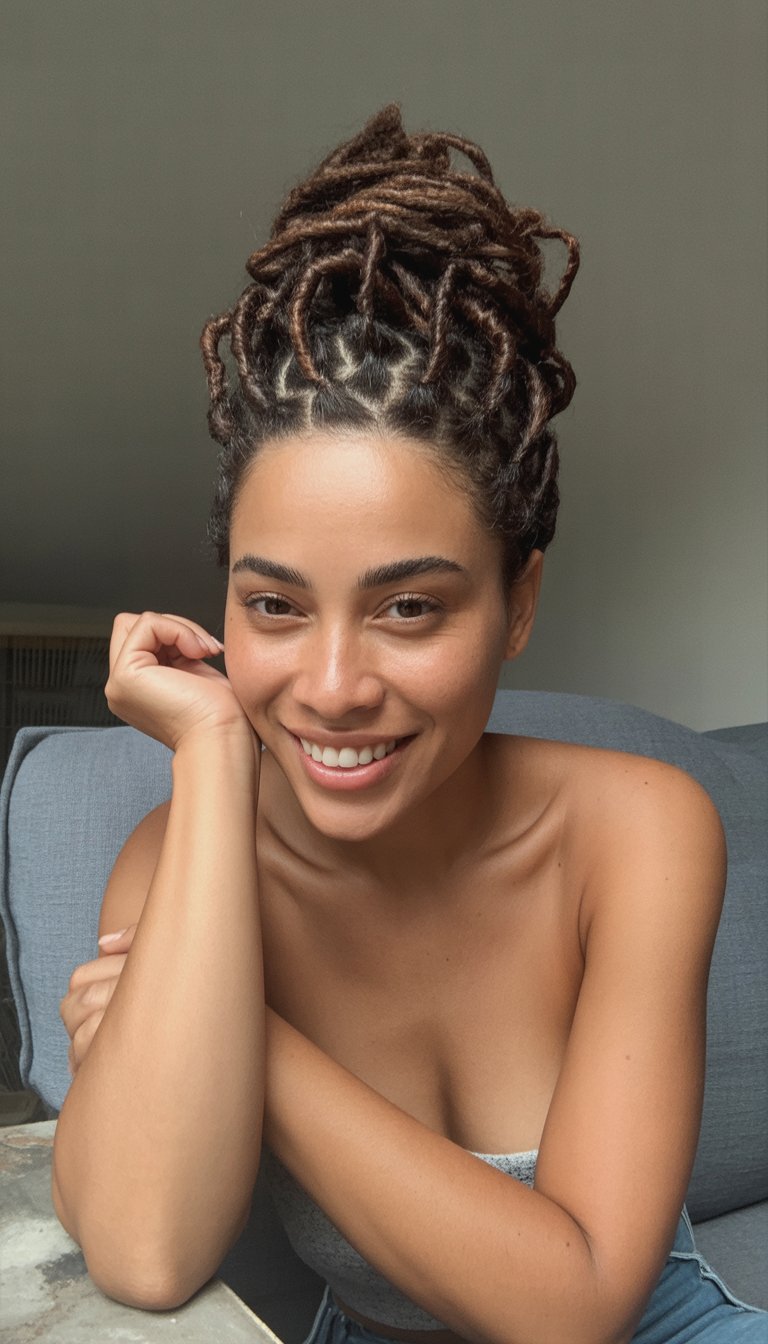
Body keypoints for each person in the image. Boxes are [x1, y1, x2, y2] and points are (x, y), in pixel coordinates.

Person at [54, 105, 767, 1343]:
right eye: (275, 605)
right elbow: (144, 1251)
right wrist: (214, 755)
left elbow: (579, 1305)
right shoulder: (181, 867)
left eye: (410, 607)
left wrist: (243, 1035)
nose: (332, 686)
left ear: (518, 604)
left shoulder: (639, 831)